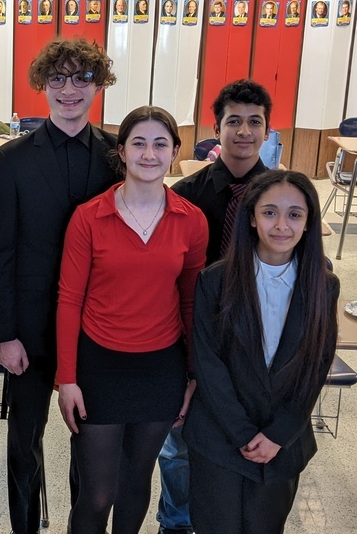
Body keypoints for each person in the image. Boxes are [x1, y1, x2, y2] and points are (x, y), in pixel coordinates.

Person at [0, 38, 119, 534]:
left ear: (99, 85)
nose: (69, 89)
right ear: (43, 84)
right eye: (58, 78)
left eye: (82, 77)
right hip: (30, 328)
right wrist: (4, 334)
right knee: (25, 442)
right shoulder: (12, 160)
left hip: (98, 326)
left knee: (92, 441)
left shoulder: (117, 156)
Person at [57, 106, 207, 534]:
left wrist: (193, 374)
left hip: (160, 368)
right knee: (97, 493)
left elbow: (190, 302)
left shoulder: (191, 221)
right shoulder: (89, 216)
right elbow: (69, 300)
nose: (149, 154)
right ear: (121, 151)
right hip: (99, 366)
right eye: (138, 143)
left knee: (136, 482)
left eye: (160, 144)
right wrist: (67, 379)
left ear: (175, 152)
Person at [185, 170, 339, 534]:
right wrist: (242, 433)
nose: (282, 225)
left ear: (308, 222)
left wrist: (278, 434)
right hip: (220, 435)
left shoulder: (324, 285)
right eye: (270, 212)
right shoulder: (215, 280)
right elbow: (208, 363)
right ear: (252, 218)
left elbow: (316, 366)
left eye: (294, 214)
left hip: (282, 438)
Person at [156, 79, 273, 534]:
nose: (244, 131)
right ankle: (175, 522)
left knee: (247, 436)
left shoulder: (280, 196)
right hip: (193, 334)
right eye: (234, 121)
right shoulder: (186, 194)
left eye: (254, 122)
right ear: (216, 129)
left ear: (267, 131)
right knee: (180, 441)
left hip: (257, 341)